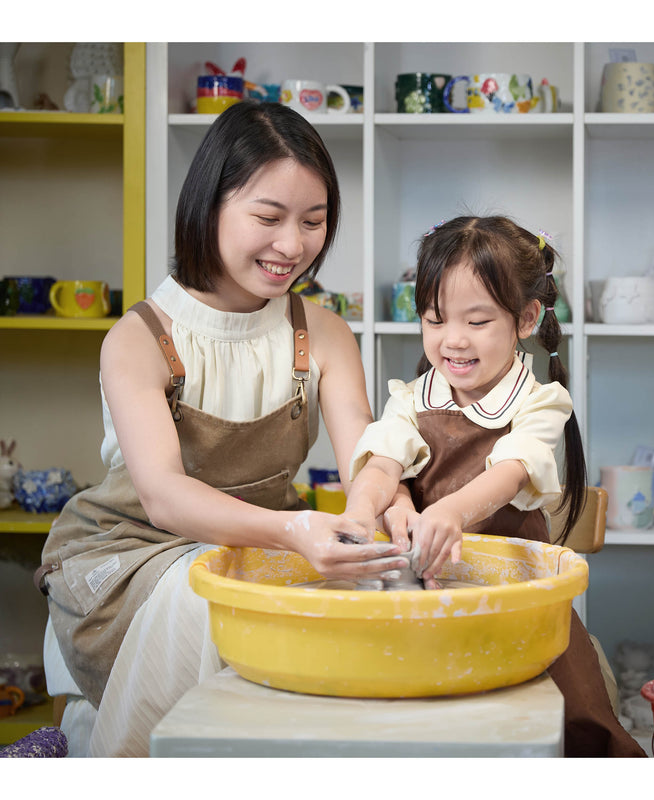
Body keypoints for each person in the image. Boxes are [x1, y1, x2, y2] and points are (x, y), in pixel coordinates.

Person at [35, 101, 406, 757]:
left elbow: (367, 460)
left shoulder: (322, 334)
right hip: (136, 553)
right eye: (268, 217)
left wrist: (391, 510)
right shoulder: (141, 338)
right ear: (208, 206)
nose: (293, 245)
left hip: (265, 547)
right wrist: (293, 531)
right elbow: (163, 497)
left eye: (314, 222)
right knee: (214, 585)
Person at [344, 216, 647, 757]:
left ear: (525, 318)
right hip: (426, 593)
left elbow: (511, 472)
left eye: (478, 321)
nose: (453, 340)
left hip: (517, 596)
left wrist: (449, 512)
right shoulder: (411, 398)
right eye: (434, 320)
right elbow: (383, 463)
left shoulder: (538, 402)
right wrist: (369, 509)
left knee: (578, 721)